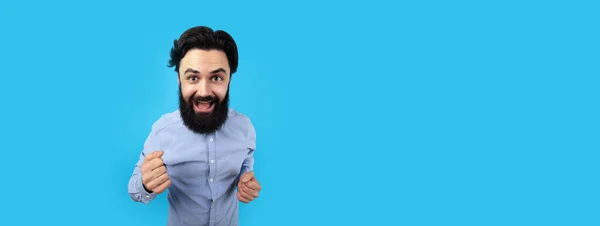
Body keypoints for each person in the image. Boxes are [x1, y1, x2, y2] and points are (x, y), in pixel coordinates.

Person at [127, 26, 261, 226]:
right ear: (179, 79)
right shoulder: (163, 132)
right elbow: (134, 188)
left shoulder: (245, 127)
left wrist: (245, 179)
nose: (204, 91)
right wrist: (145, 185)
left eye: (216, 78)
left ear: (229, 81)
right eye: (193, 78)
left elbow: (246, 160)